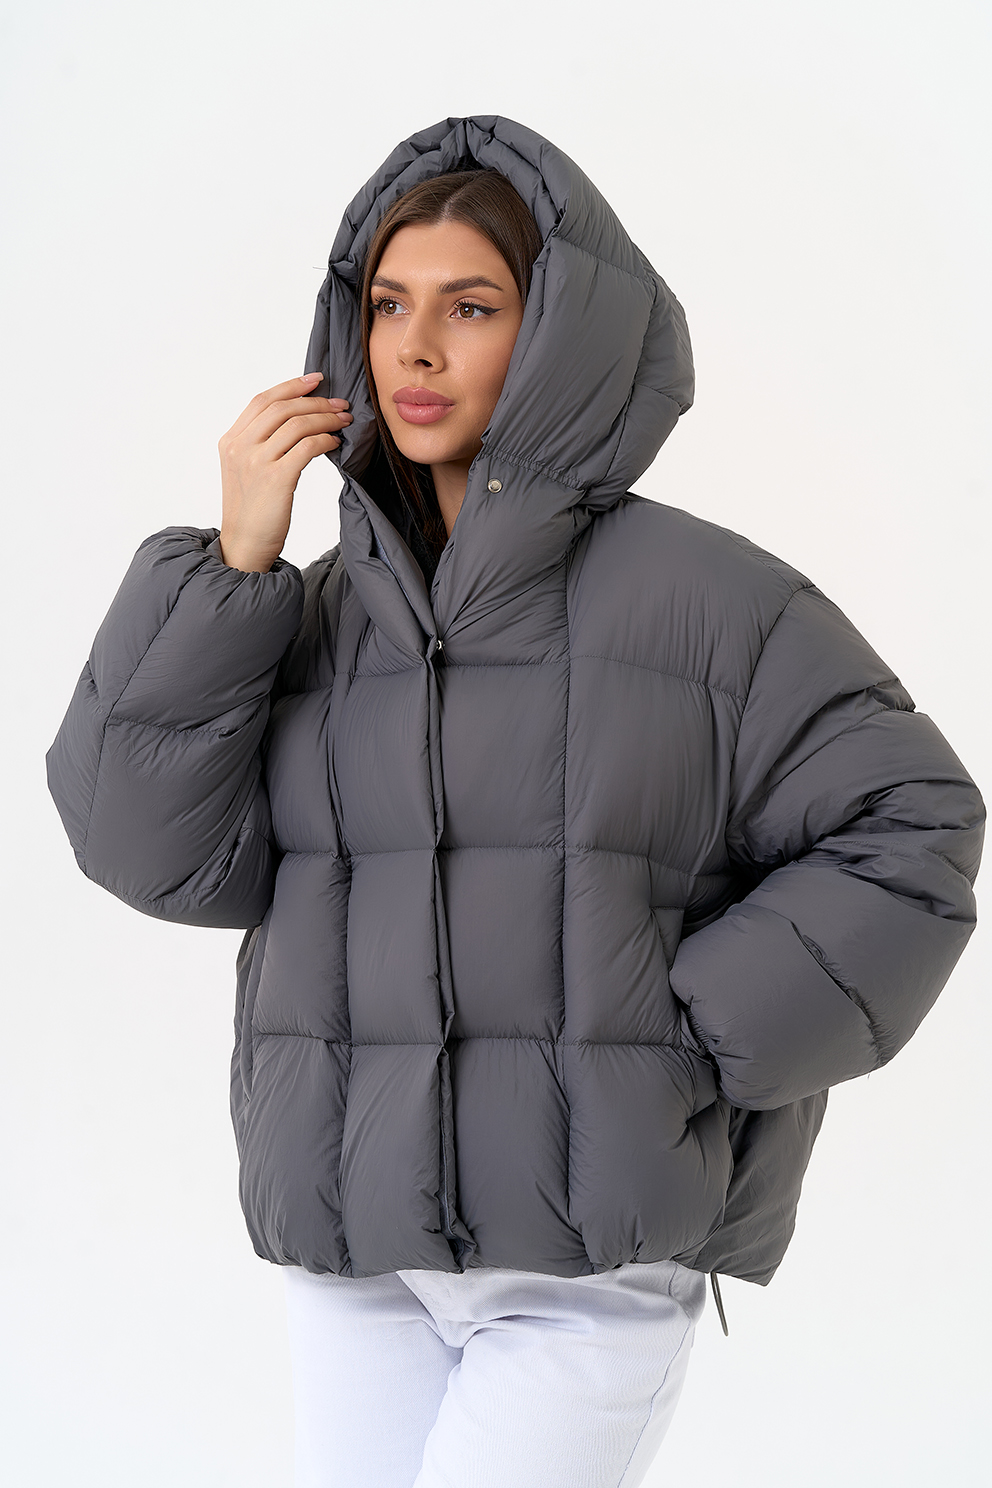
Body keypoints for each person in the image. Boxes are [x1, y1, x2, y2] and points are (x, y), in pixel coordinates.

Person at [46, 115, 984, 1488]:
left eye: (471, 308)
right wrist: (236, 562)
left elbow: (913, 825)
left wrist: (683, 1040)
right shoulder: (306, 617)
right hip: (355, 1255)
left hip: (588, 1273)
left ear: (557, 338)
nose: (416, 350)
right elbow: (143, 847)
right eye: (388, 307)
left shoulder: (716, 604)